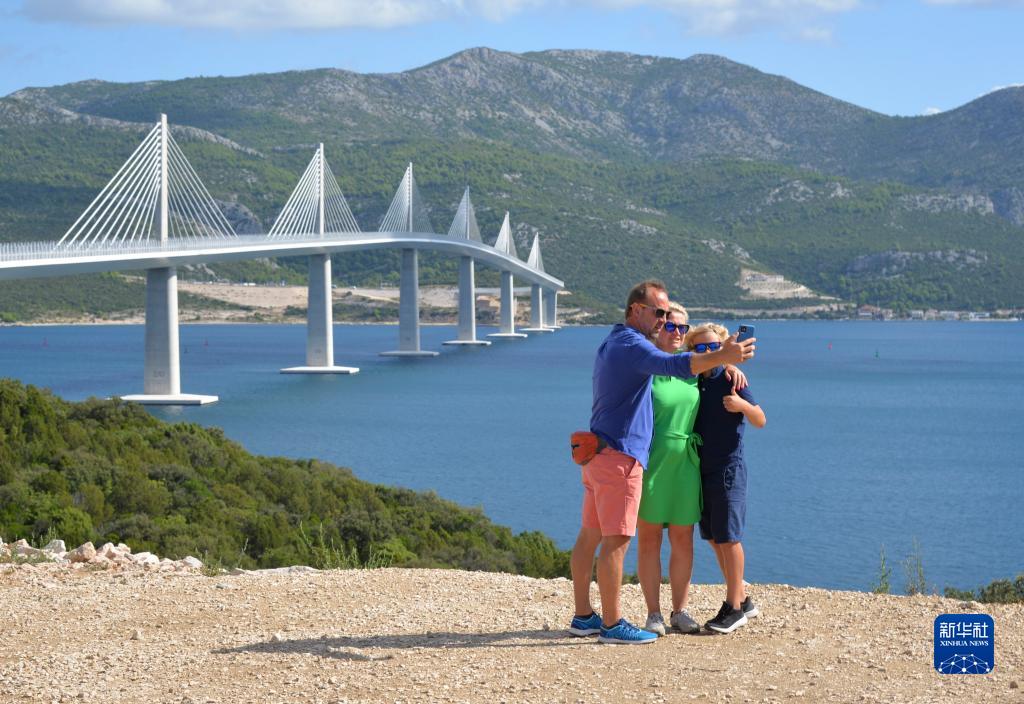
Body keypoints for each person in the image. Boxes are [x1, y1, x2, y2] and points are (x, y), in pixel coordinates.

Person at [568, 281, 755, 645]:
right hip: (621, 456)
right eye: (659, 313)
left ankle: (583, 616)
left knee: (590, 535)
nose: (664, 320)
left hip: (601, 453)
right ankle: (612, 624)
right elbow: (674, 363)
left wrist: (726, 364)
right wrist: (724, 354)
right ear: (635, 310)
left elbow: (690, 370)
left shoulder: (614, 341)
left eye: (670, 316)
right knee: (617, 540)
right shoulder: (633, 346)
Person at [635, 303, 746, 637]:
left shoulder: (693, 367)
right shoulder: (645, 366)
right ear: (658, 327)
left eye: (682, 328)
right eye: (670, 326)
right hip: (652, 461)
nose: (677, 332)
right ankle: (653, 614)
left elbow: (716, 367)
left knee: (683, 539)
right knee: (650, 539)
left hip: (686, 462)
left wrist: (730, 365)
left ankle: (680, 611)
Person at [688, 322, 767, 634]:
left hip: (727, 468)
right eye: (701, 348)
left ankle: (733, 608)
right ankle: (743, 599)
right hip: (702, 468)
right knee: (712, 535)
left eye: (714, 347)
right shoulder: (695, 380)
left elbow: (760, 419)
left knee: (729, 537)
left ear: (723, 347)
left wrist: (741, 405)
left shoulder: (732, 379)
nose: (708, 352)